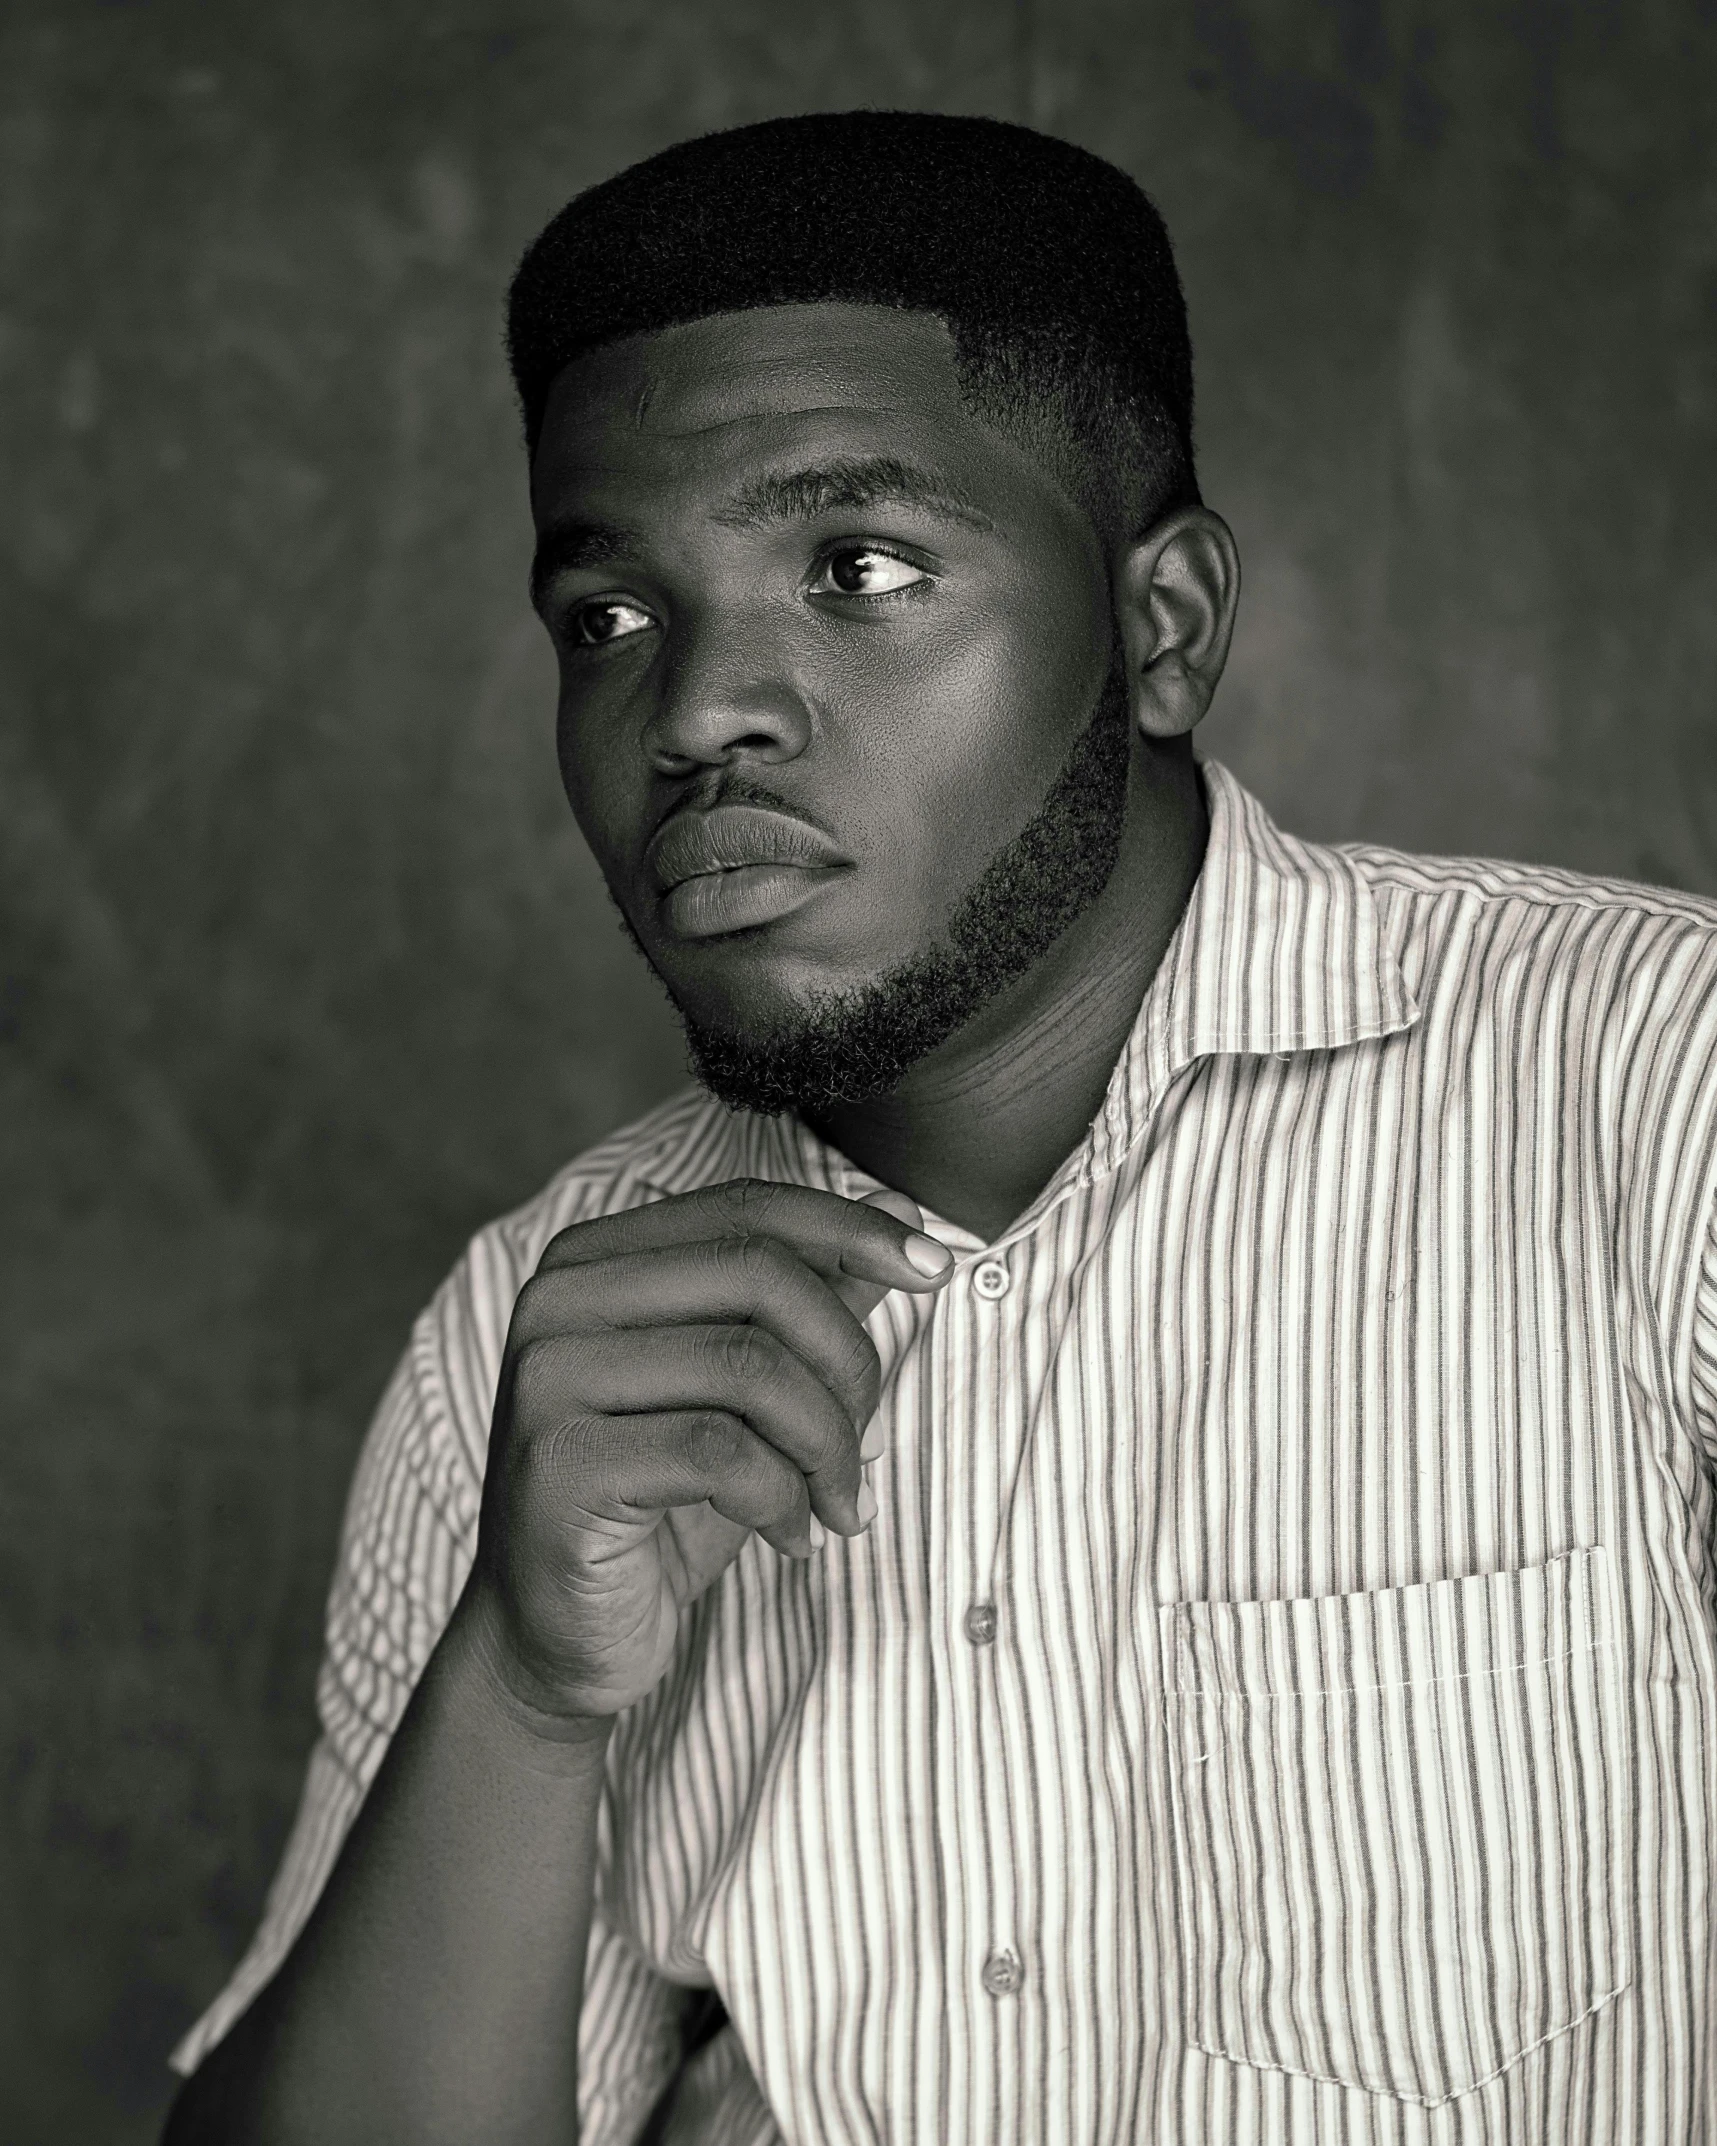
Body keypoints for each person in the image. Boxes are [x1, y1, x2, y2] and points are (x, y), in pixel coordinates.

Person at [161, 111, 1717, 2146]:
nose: (703, 704)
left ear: (1161, 626)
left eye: (861, 567)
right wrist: (528, 1691)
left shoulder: (1653, 1100)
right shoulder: (528, 1344)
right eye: (610, 617)